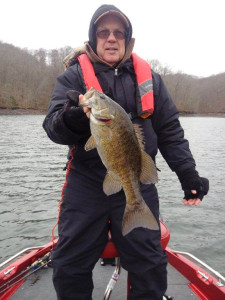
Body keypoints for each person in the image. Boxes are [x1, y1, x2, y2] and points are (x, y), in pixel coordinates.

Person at [43, 4, 209, 300]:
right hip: (86, 182)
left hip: (136, 178)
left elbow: (170, 131)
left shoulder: (151, 80)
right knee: (69, 264)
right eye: (103, 32)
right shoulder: (72, 78)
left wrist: (188, 174)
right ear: (93, 38)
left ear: (127, 39)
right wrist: (73, 119)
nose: (111, 38)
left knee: (150, 264)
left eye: (118, 33)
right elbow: (53, 128)